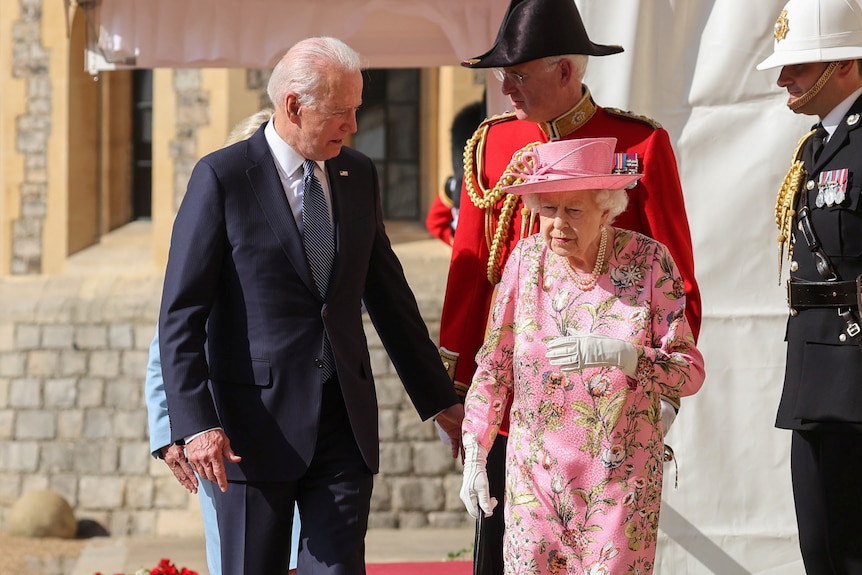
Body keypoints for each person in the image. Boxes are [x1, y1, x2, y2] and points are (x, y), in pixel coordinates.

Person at [157, 36, 464, 574]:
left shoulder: (358, 174)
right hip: (251, 431)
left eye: (356, 110)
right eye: (341, 111)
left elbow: (390, 298)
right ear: (294, 105)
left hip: (343, 424)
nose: (353, 125)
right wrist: (195, 423)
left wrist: (441, 400)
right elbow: (181, 313)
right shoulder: (222, 177)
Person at [437, 1, 702, 571]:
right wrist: (458, 393)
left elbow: (675, 277)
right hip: (519, 403)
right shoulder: (492, 143)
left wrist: (665, 397)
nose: (505, 86)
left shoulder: (639, 145)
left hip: (608, 409)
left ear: (566, 71)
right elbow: (471, 270)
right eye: (501, 73)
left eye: (518, 72)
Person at [459, 137, 705, 575]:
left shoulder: (650, 262)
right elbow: (494, 367)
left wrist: (625, 356)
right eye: (548, 209)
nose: (557, 224)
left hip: (619, 481)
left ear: (607, 207)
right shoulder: (524, 261)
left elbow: (687, 373)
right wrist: (476, 456)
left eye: (573, 210)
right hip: (534, 479)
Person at [145, 108, 301, 575]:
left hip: (306, 423)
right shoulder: (215, 227)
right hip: (227, 432)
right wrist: (173, 432)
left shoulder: (316, 225)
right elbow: (167, 348)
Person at [757, 0, 862, 571]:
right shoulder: (818, 144)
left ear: (845, 62)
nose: (783, 78)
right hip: (817, 375)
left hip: (856, 374)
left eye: (799, 64)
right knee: (821, 549)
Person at [425, 101, 486, 245]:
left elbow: (434, 223)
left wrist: (454, 241)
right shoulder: (453, 186)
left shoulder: (453, 185)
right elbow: (434, 223)